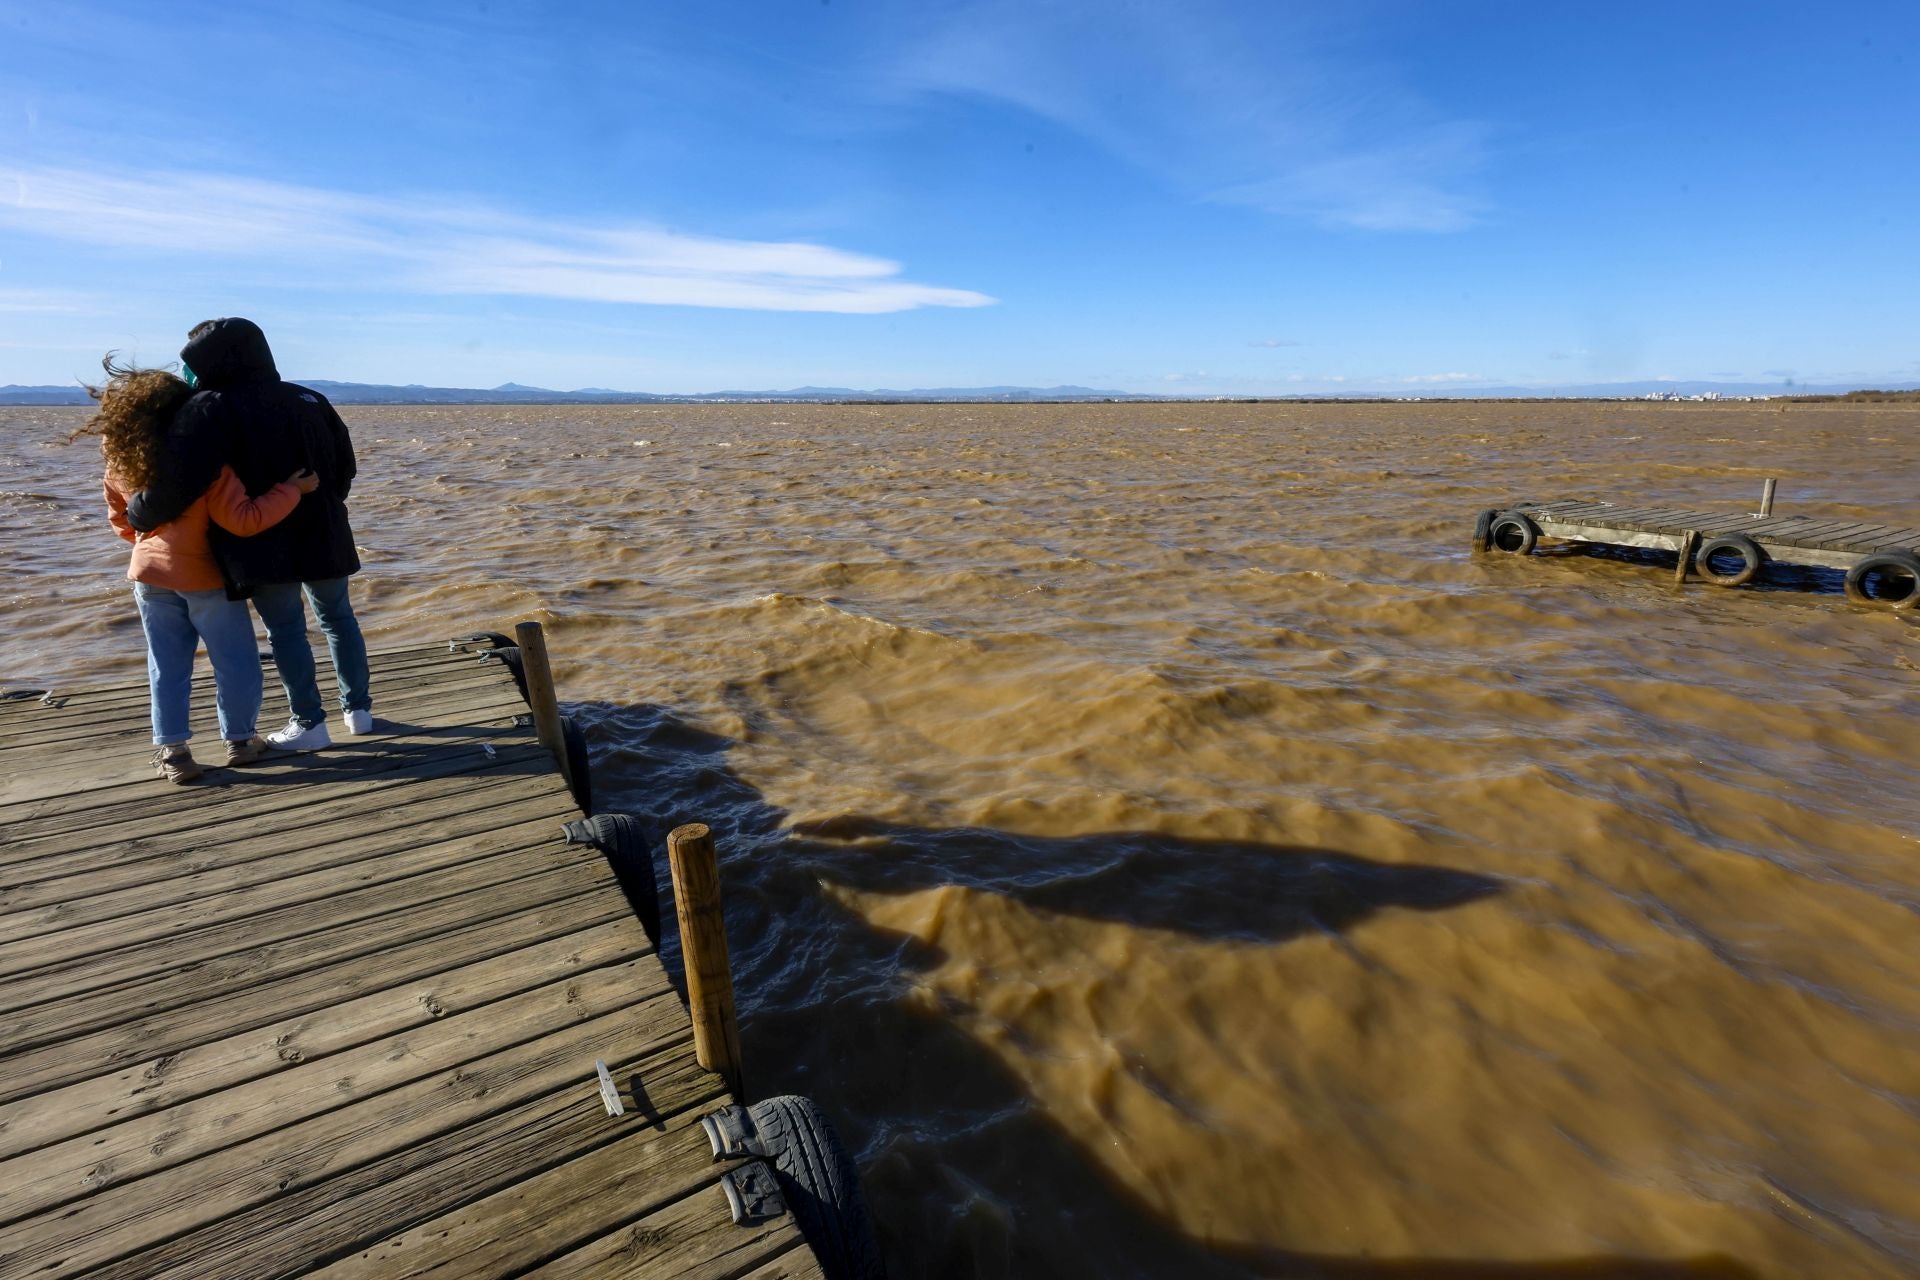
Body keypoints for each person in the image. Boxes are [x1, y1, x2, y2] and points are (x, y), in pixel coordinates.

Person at [126, 318, 371, 752]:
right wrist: (323, 506)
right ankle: (359, 712)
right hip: (326, 531)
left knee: (286, 630)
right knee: (338, 618)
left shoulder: (208, 406)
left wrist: (139, 513)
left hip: (262, 538)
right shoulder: (311, 398)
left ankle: (310, 723)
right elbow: (344, 469)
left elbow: (183, 482)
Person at [80, 359, 320, 782]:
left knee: (167, 666)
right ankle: (241, 741)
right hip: (204, 577)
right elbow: (243, 519)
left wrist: (148, 546)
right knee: (237, 663)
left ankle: (174, 754)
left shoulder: (120, 461)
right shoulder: (206, 465)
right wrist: (291, 490)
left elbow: (121, 519)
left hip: (148, 575)